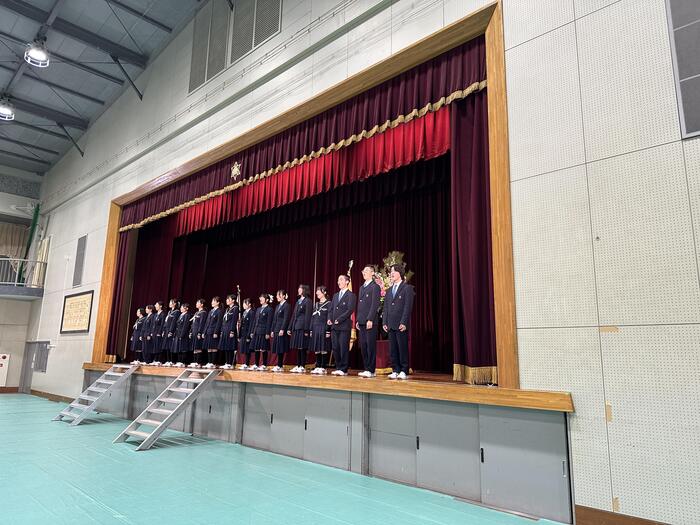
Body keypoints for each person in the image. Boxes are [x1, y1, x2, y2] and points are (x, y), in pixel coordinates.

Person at [382, 264, 415, 380]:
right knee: (393, 349)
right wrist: (384, 322)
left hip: (401, 324)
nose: (391, 273)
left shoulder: (407, 288)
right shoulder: (389, 290)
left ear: (400, 273)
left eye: (393, 271)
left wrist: (404, 322)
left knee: (402, 348)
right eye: (390, 271)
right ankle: (395, 370)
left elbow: (407, 307)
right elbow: (386, 307)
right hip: (390, 324)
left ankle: (404, 370)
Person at [329, 274, 356, 376]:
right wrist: (329, 319)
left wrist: (339, 320)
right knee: (335, 347)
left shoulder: (351, 295)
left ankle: (344, 369)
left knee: (343, 347)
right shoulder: (335, 295)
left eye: (341, 280)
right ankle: (338, 367)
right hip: (334, 326)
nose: (338, 282)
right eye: (338, 280)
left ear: (347, 281)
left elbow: (350, 310)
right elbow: (331, 309)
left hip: (344, 326)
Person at [357, 264, 381, 378]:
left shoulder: (375, 287)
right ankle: (366, 368)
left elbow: (375, 304)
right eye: (363, 270)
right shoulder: (362, 287)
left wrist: (370, 319)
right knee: (363, 346)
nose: (364, 272)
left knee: (370, 345)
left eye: (366, 270)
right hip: (361, 321)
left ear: (372, 273)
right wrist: (358, 320)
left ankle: (371, 370)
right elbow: (360, 305)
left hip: (370, 321)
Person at [290, 284, 312, 373]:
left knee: (302, 347)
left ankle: (302, 365)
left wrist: (307, 329)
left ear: (304, 290)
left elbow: (308, 316)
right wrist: (290, 327)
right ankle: (298, 365)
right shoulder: (298, 301)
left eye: (300, 288)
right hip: (296, 326)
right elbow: (294, 315)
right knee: (298, 347)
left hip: (303, 327)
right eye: (299, 288)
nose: (298, 290)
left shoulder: (308, 301)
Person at [309, 286, 331, 374]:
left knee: (323, 347)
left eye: (319, 291)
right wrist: (311, 329)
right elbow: (312, 318)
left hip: (323, 328)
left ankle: (323, 367)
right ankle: (318, 366)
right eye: (317, 291)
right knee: (317, 347)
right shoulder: (316, 304)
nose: (317, 292)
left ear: (324, 292)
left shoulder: (329, 303)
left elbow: (329, 317)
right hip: (315, 328)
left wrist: (328, 330)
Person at [250, 293, 273, 370]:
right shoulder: (258, 309)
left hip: (264, 331)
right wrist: (252, 331)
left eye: (262, 297)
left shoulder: (269, 309)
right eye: (260, 297)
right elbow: (255, 321)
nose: (260, 299)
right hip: (257, 331)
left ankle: (264, 365)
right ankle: (256, 364)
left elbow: (269, 322)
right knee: (256, 348)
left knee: (263, 348)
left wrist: (267, 333)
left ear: (267, 300)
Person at [271, 289, 291, 373]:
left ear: (283, 296)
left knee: (281, 348)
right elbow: (274, 319)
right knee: (277, 347)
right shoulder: (277, 306)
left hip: (281, 329)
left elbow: (286, 318)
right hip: (276, 329)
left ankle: (280, 365)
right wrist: (272, 330)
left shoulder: (287, 305)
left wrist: (282, 329)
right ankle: (278, 365)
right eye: (277, 295)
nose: (277, 297)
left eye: (279, 295)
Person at [202, 296, 223, 369]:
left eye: (214, 301)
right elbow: (207, 322)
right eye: (212, 301)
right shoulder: (211, 311)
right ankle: (209, 362)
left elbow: (219, 322)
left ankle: (213, 363)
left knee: (214, 347)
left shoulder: (219, 311)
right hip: (208, 331)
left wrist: (216, 332)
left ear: (218, 302)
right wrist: (204, 332)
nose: (212, 302)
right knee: (209, 347)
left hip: (214, 332)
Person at [220, 294, 239, 369]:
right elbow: (224, 321)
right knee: (226, 346)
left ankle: (231, 363)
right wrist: (222, 330)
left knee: (230, 346)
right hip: (225, 329)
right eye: (227, 299)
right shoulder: (227, 309)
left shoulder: (235, 308)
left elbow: (234, 320)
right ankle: (227, 362)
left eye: (229, 299)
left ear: (233, 300)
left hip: (230, 330)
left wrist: (232, 331)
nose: (227, 300)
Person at [189, 299, 208, 368]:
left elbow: (202, 323)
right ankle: (195, 361)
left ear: (202, 304)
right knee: (194, 347)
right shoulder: (196, 313)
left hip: (198, 332)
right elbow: (193, 323)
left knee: (198, 347)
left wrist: (199, 332)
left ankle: (199, 362)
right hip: (194, 331)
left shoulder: (203, 313)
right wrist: (190, 332)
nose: (196, 304)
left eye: (198, 303)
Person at [239, 298, 256, 370]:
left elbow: (251, 324)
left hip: (247, 333)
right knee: (244, 349)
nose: (243, 305)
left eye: (245, 303)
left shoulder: (252, 312)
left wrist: (249, 335)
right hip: (243, 332)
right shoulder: (244, 312)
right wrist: (239, 334)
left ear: (249, 304)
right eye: (243, 303)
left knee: (247, 349)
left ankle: (247, 363)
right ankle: (245, 363)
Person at [162, 298, 180, 366]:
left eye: (171, 302)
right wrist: (164, 330)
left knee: (171, 346)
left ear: (174, 304)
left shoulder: (177, 312)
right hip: (166, 330)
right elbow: (166, 321)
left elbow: (174, 322)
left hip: (171, 331)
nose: (169, 304)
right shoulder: (169, 312)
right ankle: (168, 360)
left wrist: (171, 331)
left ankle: (172, 361)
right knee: (166, 346)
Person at [173, 303, 191, 367]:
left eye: (182, 307)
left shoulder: (187, 315)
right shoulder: (181, 315)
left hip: (183, 335)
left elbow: (185, 326)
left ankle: (183, 361)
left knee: (183, 348)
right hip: (178, 333)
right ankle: (179, 361)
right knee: (178, 348)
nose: (181, 308)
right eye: (181, 307)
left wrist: (182, 334)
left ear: (186, 308)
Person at [150, 301, 167, 366]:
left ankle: (159, 360)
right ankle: (154, 359)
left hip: (158, 333)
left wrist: (160, 332)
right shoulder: (155, 314)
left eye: (156, 305)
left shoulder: (163, 314)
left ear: (160, 306)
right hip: (154, 332)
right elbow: (153, 324)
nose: (155, 306)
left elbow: (162, 324)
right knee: (154, 346)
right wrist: (152, 332)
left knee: (158, 346)